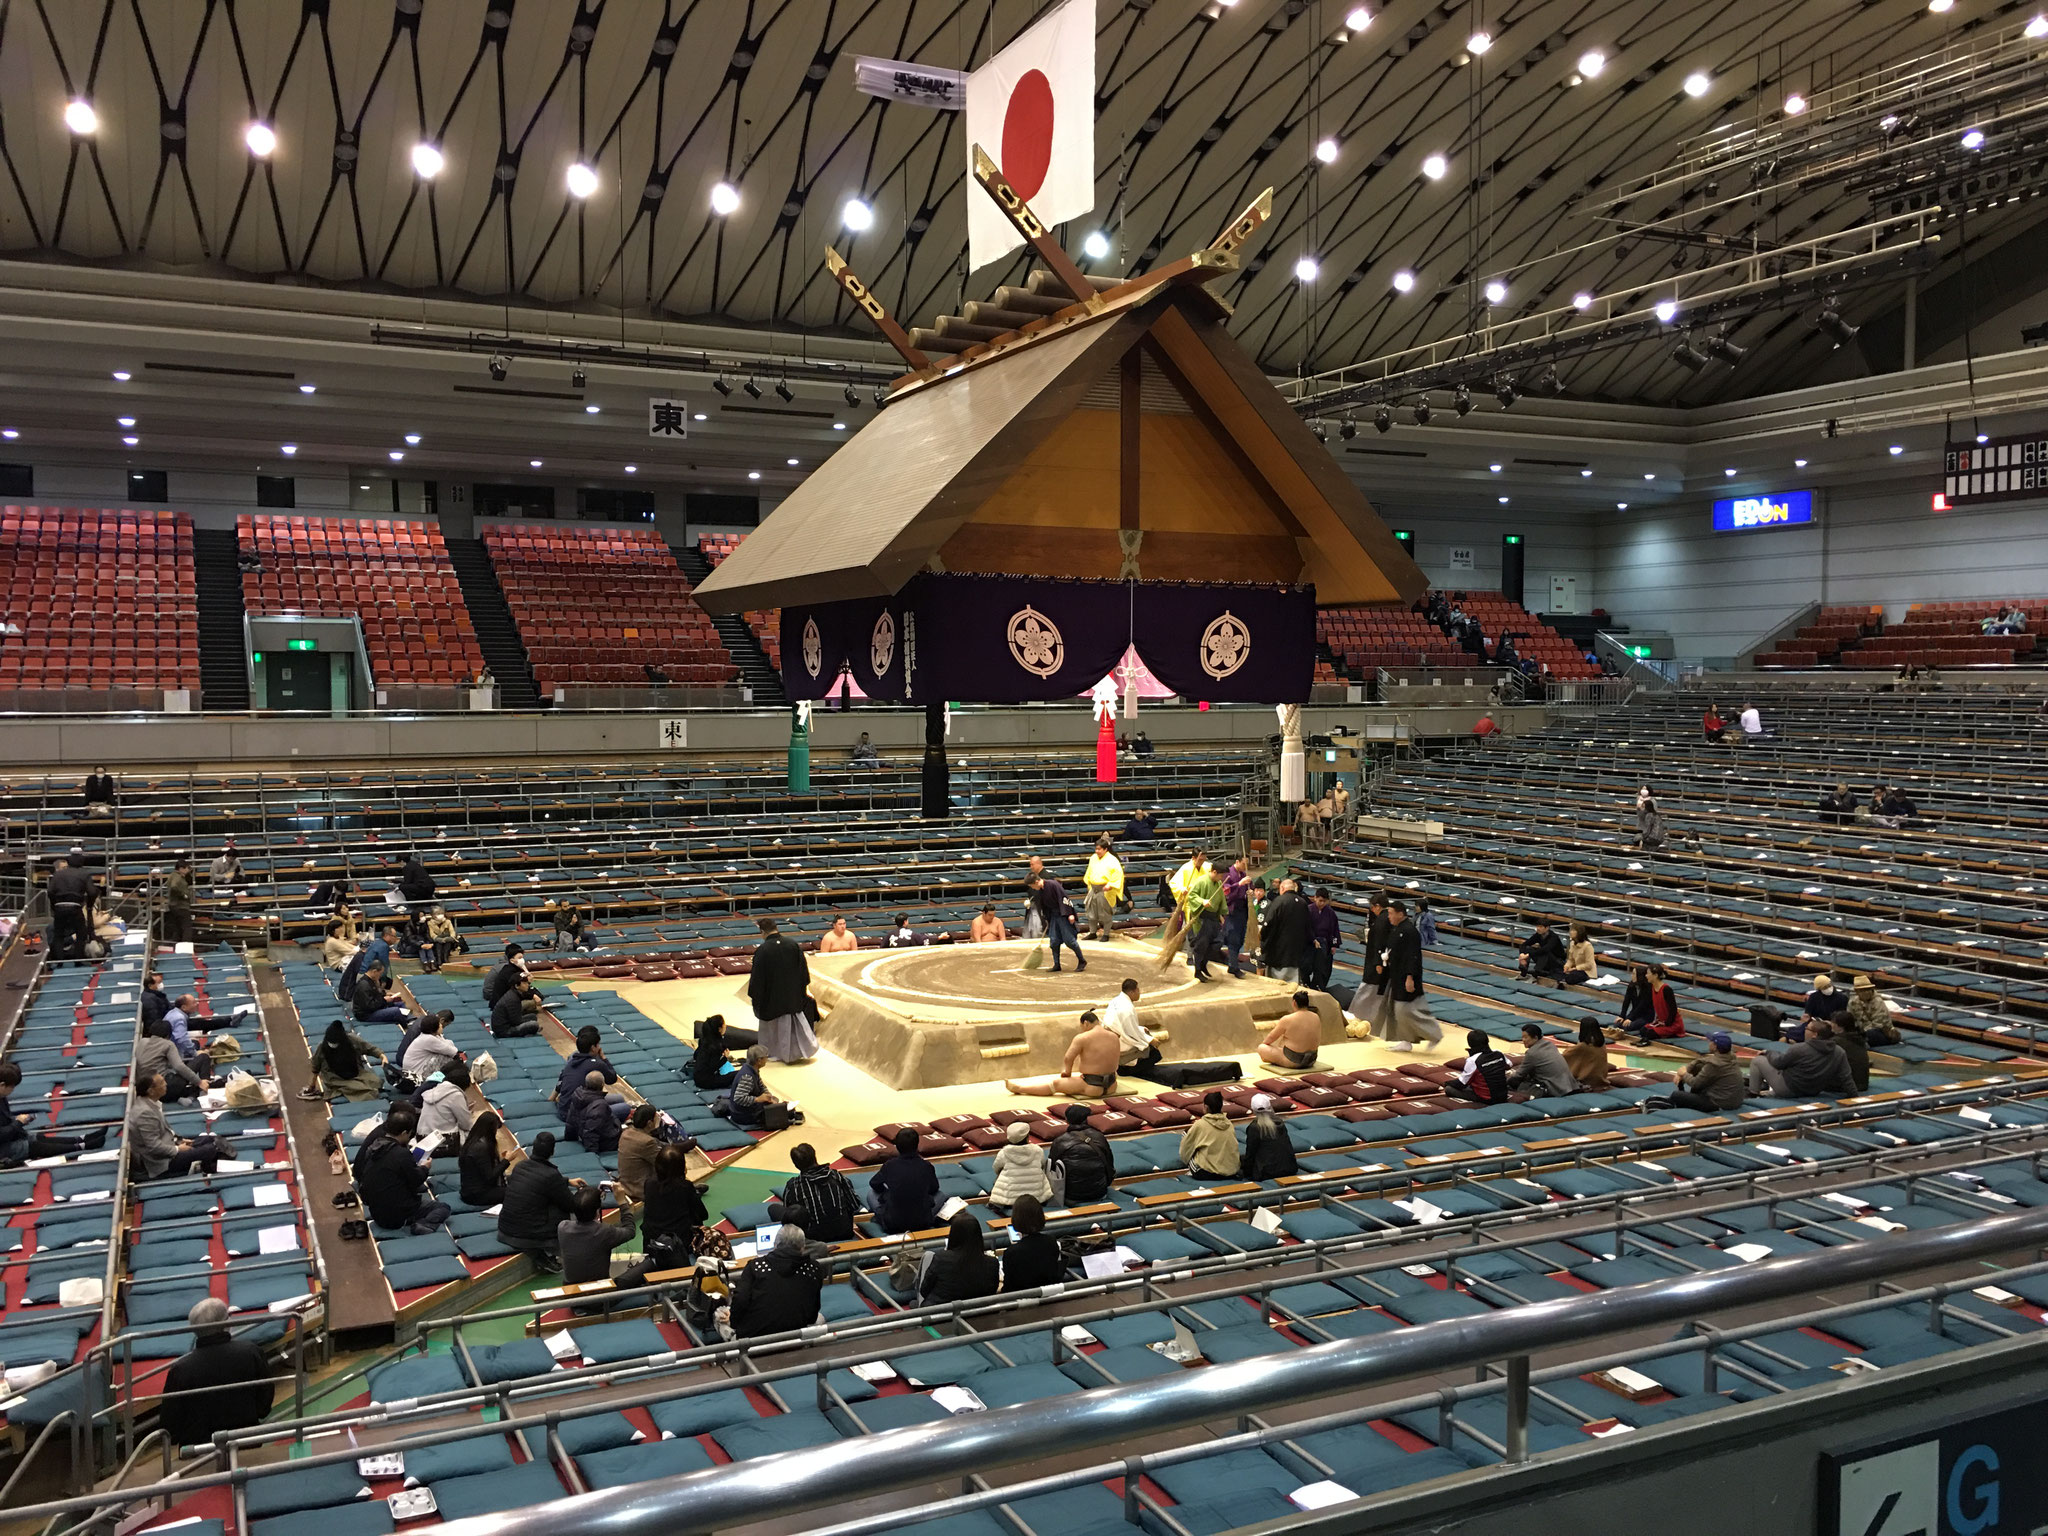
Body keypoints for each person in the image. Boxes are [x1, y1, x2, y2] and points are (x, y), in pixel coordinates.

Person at [160, 1298, 274, 1448]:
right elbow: (264, 1400)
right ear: (226, 1323)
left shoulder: (180, 1369)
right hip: (247, 1441)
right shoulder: (251, 1352)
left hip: (197, 1451)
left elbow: (170, 1423)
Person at [356, 1107, 450, 1234]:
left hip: (376, 1213)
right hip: (397, 1216)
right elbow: (416, 1180)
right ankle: (424, 1224)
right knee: (443, 1207)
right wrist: (425, 1168)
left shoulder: (374, 1146)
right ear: (405, 1132)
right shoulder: (401, 1154)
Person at [498, 1132, 581, 1269]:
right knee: (563, 1210)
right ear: (552, 1152)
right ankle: (551, 1252)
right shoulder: (551, 1175)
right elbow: (571, 1205)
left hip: (505, 1229)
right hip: (527, 1235)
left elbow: (538, 1182)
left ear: (533, 1149)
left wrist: (566, 1181)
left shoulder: (519, 1167)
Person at [0, 1061, 107, 1163]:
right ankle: (84, 1145)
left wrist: (20, 1120)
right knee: (34, 1146)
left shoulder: (2, 1096)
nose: (12, 1090)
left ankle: (82, 1139)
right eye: (12, 1087)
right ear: (2, 1085)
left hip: (9, 1137)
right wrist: (18, 1122)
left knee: (39, 1138)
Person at [729, 1224, 826, 1336]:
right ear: (802, 1247)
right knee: (820, 1318)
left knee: (719, 1314)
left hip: (754, 1337)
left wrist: (734, 1323)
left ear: (775, 1245)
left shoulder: (754, 1266)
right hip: (796, 1332)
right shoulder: (814, 1268)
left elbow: (740, 1299)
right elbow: (812, 1314)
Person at [1371, 900, 1442, 1048]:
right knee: (1400, 1010)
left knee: (1405, 1010)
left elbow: (1413, 956)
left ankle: (1434, 1034)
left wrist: (1410, 977)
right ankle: (1406, 1040)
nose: (1389, 916)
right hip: (1396, 974)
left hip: (1407, 975)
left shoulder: (1410, 931)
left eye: (1391, 913)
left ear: (1400, 913)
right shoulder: (1397, 929)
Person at [1005, 1011, 1121, 1098]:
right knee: (1081, 1079)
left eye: (1082, 1027)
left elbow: (1068, 1058)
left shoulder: (1082, 1038)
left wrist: (1068, 1072)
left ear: (1085, 1023)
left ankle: (1019, 1088)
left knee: (1055, 1084)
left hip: (1091, 1086)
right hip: (1112, 1085)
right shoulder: (1114, 1036)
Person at [748, 917, 817, 1062]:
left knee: (772, 1030)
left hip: (771, 1000)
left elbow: (757, 979)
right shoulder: (793, 945)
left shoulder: (762, 951)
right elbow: (803, 972)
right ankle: (796, 1053)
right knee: (792, 1028)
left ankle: (772, 1054)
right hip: (792, 997)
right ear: (776, 928)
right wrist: (801, 991)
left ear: (762, 931)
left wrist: (756, 998)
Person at [129, 1073, 219, 1179]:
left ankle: (201, 1163)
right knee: (210, 1149)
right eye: (162, 1083)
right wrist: (177, 1149)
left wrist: (179, 1140)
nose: (166, 1084)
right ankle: (197, 1167)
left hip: (169, 1145)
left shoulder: (150, 1103)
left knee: (210, 1139)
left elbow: (164, 1132)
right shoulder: (144, 1113)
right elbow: (153, 1147)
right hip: (160, 1161)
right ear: (151, 1091)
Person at [769, 1143, 860, 1242]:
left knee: (773, 1208)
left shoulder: (793, 1185)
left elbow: (790, 1217)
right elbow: (855, 1205)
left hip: (813, 1238)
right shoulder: (836, 1176)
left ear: (796, 1165)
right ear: (814, 1156)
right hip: (844, 1232)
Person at [558, 1187, 642, 1289]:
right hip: (599, 1295)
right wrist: (622, 1202)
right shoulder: (604, 1232)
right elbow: (630, 1231)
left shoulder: (562, 1227)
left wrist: (591, 1195)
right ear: (598, 1211)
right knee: (647, 1265)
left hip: (571, 1293)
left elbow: (582, 1211)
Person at [1747, 1018, 1855, 1098]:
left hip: (1788, 1089)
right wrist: (1855, 1099)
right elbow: (1846, 1077)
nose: (1804, 1030)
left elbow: (1778, 1063)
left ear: (1814, 1034)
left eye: (1807, 1028)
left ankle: (1753, 1095)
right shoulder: (1839, 1051)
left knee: (1758, 1061)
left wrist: (1768, 1052)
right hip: (1813, 1091)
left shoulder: (1800, 1048)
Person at [642, 1143, 713, 1258]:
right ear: (682, 1167)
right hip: (678, 1243)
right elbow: (703, 1214)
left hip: (651, 1241)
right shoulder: (685, 1187)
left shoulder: (649, 1184)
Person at [866, 1126, 941, 1233]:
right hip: (922, 1221)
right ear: (917, 1145)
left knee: (871, 1194)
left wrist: (887, 1193)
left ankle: (881, 1216)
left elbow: (874, 1184)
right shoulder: (926, 1166)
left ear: (896, 1146)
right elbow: (934, 1188)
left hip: (893, 1223)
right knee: (940, 1195)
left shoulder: (890, 1165)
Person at [921, 1213, 1001, 1303]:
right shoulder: (992, 1263)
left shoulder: (941, 1258)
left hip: (941, 1314)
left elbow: (924, 1290)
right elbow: (992, 1293)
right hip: (979, 1314)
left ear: (953, 1235)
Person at [1658, 1032, 1746, 1112]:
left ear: (1715, 1046)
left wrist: (1684, 1073)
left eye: (1711, 1041)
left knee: (1676, 1095)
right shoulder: (1730, 1057)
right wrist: (1687, 1068)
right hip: (1733, 1101)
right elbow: (1701, 1061)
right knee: (1698, 1067)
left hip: (1719, 1104)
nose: (1709, 1043)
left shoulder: (1714, 1065)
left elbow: (1695, 1083)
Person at [301, 1020, 385, 1102]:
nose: (332, 1044)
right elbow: (315, 1067)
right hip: (334, 1078)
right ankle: (346, 1090)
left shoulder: (352, 1040)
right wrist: (311, 1086)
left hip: (356, 1072)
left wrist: (382, 1056)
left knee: (377, 1082)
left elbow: (369, 1048)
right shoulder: (322, 1047)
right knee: (365, 1089)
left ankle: (355, 1088)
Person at [1048, 1102, 1113, 1205]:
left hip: (1071, 1195)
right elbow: (1110, 1164)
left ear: (1066, 1119)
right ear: (1086, 1119)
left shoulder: (1060, 1141)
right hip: (1099, 1192)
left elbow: (1051, 1170)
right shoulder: (1099, 1137)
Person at [1000, 1196, 1063, 1290]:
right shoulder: (1051, 1242)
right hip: (1050, 1297)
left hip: (1021, 1301)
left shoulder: (1011, 1253)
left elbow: (1009, 1287)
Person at [989, 1121, 1052, 1214]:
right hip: (1036, 1197)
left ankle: (998, 1206)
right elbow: (1043, 1165)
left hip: (1009, 1198)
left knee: (1000, 1177)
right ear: (1027, 1137)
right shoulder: (1038, 1150)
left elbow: (996, 1168)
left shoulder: (1004, 1153)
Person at [1028, 872, 1085, 973]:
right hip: (1053, 916)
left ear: (1036, 882)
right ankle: (1057, 964)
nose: (1033, 888)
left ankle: (1082, 961)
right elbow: (1044, 906)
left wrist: (1070, 914)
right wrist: (1046, 919)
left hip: (1063, 914)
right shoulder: (1040, 891)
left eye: (1032, 886)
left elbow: (1064, 898)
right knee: (1054, 941)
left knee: (1069, 941)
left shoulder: (1053, 884)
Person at [137, 1019, 207, 1101]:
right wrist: (199, 1082)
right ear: (168, 1035)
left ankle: (191, 1095)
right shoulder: (168, 1044)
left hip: (148, 1092)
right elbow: (179, 1066)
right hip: (165, 1087)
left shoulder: (141, 1042)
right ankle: (204, 1089)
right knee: (203, 1057)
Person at [1104, 976, 1160, 1076]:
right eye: (1138, 990)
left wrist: (1142, 1030)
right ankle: (1126, 1070)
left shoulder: (1116, 1000)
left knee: (1145, 1032)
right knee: (1155, 1054)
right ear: (1131, 992)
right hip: (1121, 1044)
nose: (1139, 992)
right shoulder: (1127, 1010)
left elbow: (1124, 1027)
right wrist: (1150, 1040)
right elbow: (1130, 1034)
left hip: (1111, 1041)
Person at [1180, 856, 1224, 981]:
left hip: (1214, 918)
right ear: (1214, 872)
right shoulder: (1201, 881)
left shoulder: (1219, 883)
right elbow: (1191, 896)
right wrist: (1202, 901)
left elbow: (1221, 900)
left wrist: (1221, 914)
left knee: (1217, 943)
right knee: (1201, 945)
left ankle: (1203, 964)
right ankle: (1198, 970)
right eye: (1220, 875)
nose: (1221, 878)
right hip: (1201, 918)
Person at [1179, 1091, 1241, 1180]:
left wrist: (1185, 1160)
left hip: (1207, 1173)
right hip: (1231, 1171)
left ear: (1206, 1107)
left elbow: (1185, 1151)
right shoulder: (1229, 1123)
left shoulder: (1200, 1124)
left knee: (1186, 1135)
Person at [1261, 878, 1312, 984]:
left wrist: (1263, 939)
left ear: (1282, 888)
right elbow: (1308, 927)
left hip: (1278, 951)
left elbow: (1269, 924)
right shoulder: (1303, 903)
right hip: (1297, 952)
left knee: (1277, 984)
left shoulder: (1279, 901)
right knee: (1293, 984)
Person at [1507, 1023, 1578, 1097]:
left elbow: (1519, 1075)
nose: (1523, 1040)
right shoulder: (1550, 1044)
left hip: (1556, 1089)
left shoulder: (1532, 1053)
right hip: (1571, 1085)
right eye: (1522, 1037)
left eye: (1526, 1037)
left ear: (1535, 1037)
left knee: (1520, 1084)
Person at [724, 1045, 787, 1129]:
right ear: (759, 1060)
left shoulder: (752, 1069)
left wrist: (768, 1095)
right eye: (766, 1057)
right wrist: (757, 1099)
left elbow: (761, 1085)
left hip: (745, 1108)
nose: (767, 1060)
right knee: (776, 1112)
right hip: (741, 1115)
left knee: (774, 1101)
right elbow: (738, 1098)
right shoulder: (747, 1076)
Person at [1259, 991, 1324, 1071]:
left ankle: (1279, 1060)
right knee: (1284, 1041)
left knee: (1262, 1048)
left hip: (1294, 1060)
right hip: (1312, 1059)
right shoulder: (1316, 1017)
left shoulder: (1288, 1019)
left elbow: (1270, 1038)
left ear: (1294, 1003)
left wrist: (1266, 1047)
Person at [614, 1105, 666, 1203]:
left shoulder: (626, 1133)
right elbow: (663, 1163)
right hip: (641, 1189)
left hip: (625, 1183)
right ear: (650, 1123)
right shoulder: (647, 1142)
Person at [47, 856, 96, 960]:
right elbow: (92, 892)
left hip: (59, 907)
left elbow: (50, 891)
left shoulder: (57, 874)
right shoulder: (84, 874)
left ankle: (58, 962)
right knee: (81, 933)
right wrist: (89, 905)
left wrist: (54, 905)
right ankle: (78, 960)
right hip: (75, 906)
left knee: (58, 935)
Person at [1241, 1094, 1298, 1179]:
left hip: (1267, 1172)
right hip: (1289, 1168)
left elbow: (1250, 1154)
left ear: (1253, 1110)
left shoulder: (1254, 1128)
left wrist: (1246, 1173)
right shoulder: (1280, 1123)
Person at [459, 1112, 510, 1208]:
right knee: (518, 1191)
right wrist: (506, 1161)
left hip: (471, 1189)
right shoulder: (481, 1148)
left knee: (517, 1179)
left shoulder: (472, 1140)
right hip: (477, 1195)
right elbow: (490, 1177)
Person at [418, 1060, 475, 1145]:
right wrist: (467, 1112)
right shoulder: (456, 1095)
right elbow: (466, 1124)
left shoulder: (434, 1089)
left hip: (421, 1137)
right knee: (476, 1134)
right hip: (442, 1140)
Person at [1445, 1030, 1512, 1103]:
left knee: (1449, 1089)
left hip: (1487, 1098)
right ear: (1487, 1041)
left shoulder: (1473, 1060)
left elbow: (1461, 1084)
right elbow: (1509, 1065)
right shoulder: (1498, 1053)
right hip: (1503, 1095)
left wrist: (1446, 1083)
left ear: (1470, 1044)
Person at [1083, 837, 1124, 942]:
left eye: (1099, 849)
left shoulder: (1113, 860)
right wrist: (1089, 883)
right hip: (1093, 888)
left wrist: (1110, 885)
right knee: (1091, 912)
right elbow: (1089, 871)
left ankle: (1106, 934)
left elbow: (1118, 874)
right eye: (1096, 849)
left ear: (1105, 849)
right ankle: (1092, 932)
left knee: (1105, 913)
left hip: (1105, 889)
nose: (1097, 851)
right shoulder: (1093, 857)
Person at [401, 1013, 461, 1080]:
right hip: (415, 1075)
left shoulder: (426, 1036)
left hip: (412, 1070)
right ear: (435, 1028)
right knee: (445, 1057)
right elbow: (452, 1051)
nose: (441, 1026)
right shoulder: (429, 1039)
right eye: (439, 1024)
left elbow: (447, 1044)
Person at [1219, 856, 1251, 975]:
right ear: (1237, 861)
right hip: (1231, 911)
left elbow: (1249, 888)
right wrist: (1239, 884)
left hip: (1243, 911)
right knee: (1233, 938)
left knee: (1240, 938)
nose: (1245, 866)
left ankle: (1233, 964)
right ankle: (1233, 966)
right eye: (1243, 863)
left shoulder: (1244, 874)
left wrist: (1250, 892)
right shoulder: (1228, 874)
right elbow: (1225, 893)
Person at [352, 961, 411, 1027]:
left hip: (375, 1007)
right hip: (366, 1014)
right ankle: (406, 1025)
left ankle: (410, 1019)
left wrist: (385, 994)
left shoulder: (370, 981)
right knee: (395, 1011)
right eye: (380, 974)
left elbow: (375, 995)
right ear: (374, 972)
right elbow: (370, 1006)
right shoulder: (364, 985)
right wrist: (384, 1000)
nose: (380, 976)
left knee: (400, 1004)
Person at [691, 1014, 741, 1089]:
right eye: (724, 1024)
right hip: (707, 1081)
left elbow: (696, 1055)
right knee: (741, 1074)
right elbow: (712, 1067)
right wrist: (724, 1058)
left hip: (697, 1077)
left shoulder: (704, 1039)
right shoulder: (715, 1046)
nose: (726, 1026)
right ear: (719, 1029)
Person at [1848, 975, 1900, 1045]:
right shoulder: (1853, 1002)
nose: (1866, 992)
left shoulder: (1878, 1002)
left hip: (1880, 1033)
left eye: (1868, 989)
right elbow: (1850, 1019)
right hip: (1861, 1031)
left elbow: (1878, 1024)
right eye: (1862, 990)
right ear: (1857, 992)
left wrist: (1862, 1033)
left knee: (1871, 1034)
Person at [1562, 1016, 1611, 1089]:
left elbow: (1565, 1056)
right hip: (1601, 1078)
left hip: (1586, 1080)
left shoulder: (1583, 1046)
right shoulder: (1601, 1042)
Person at [1306, 888, 1340, 991]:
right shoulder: (1308, 910)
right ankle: (1307, 984)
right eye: (1320, 900)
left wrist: (1334, 945)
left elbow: (1335, 929)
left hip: (1326, 943)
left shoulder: (1330, 913)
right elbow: (1305, 927)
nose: (1322, 903)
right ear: (1315, 898)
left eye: (1324, 901)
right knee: (1307, 966)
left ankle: (1319, 986)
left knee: (1324, 968)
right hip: (1310, 942)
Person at [1831, 1010, 1872, 1091]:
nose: (1831, 1024)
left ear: (1839, 1026)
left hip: (1848, 1085)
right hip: (1862, 1083)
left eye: (1833, 1022)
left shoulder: (1837, 1042)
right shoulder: (1859, 1038)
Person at [1517, 920, 1567, 984]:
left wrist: (1528, 955)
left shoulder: (1554, 937)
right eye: (1537, 926)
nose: (1538, 928)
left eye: (1540, 927)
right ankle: (1523, 973)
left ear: (1547, 928)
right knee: (1528, 949)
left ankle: (1535, 975)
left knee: (1544, 952)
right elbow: (1524, 944)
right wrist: (1522, 954)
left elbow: (1546, 949)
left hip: (1557, 961)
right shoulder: (1538, 935)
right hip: (1545, 960)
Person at [160, 857, 195, 947]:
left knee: (177, 928)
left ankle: (175, 947)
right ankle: (185, 947)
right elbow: (174, 887)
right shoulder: (178, 877)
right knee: (186, 927)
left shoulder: (172, 875)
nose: (188, 870)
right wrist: (183, 895)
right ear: (181, 869)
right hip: (181, 905)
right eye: (186, 868)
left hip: (173, 905)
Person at [1614, 964, 1657, 1036]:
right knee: (1617, 1024)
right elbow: (1626, 1001)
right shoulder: (1632, 985)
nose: (1631, 976)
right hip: (1635, 1014)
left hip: (1645, 1016)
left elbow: (1642, 1006)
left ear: (1640, 976)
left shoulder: (1648, 988)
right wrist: (1622, 1016)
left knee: (1628, 1026)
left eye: (1634, 974)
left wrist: (1630, 1018)